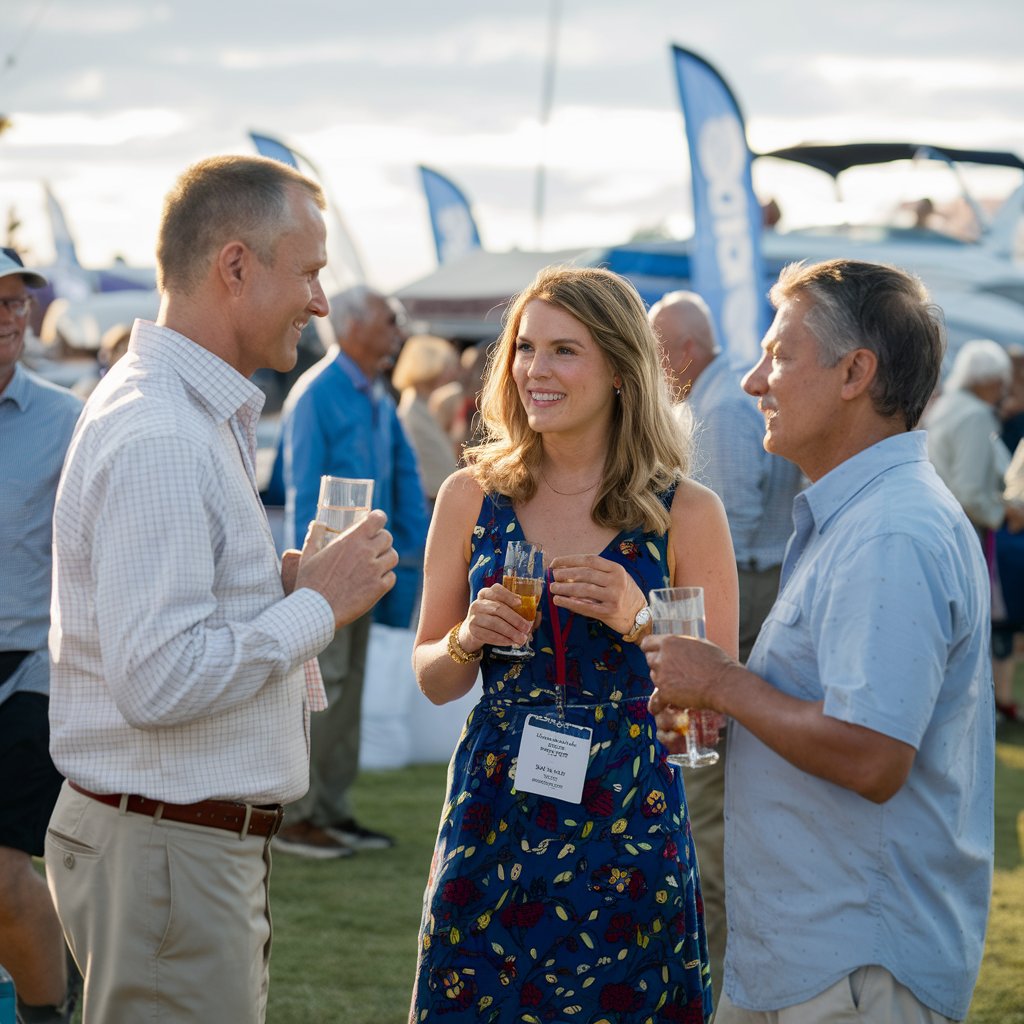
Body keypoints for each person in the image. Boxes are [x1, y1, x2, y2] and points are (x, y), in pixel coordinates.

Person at [44, 155, 399, 1024]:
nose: (322, 302)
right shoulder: (162, 430)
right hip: (168, 851)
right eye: (310, 273)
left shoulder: (178, 409)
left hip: (171, 848)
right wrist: (315, 606)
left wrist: (281, 587)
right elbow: (158, 677)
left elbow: (167, 626)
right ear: (235, 267)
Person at [645, 259, 994, 1023]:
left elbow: (872, 756)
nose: (752, 382)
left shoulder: (891, 530)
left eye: (780, 356)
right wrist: (733, 705)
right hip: (811, 960)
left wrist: (723, 685)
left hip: (852, 971)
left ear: (855, 373)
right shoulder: (864, 515)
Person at [409, 264, 738, 1022]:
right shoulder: (471, 496)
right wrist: (466, 637)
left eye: (564, 350)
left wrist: (643, 621)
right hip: (495, 812)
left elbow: (711, 716)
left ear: (622, 369)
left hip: (627, 816)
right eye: (525, 348)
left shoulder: (685, 511)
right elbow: (431, 677)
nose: (535, 370)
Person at [648, 289, 803, 1008]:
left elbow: (724, 530)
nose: (646, 364)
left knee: (702, 765)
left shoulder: (718, 410)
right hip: (741, 594)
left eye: (653, 349)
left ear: (683, 351)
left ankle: (714, 964)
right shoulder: (720, 402)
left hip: (730, 599)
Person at [274, 284, 429, 858]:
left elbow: (401, 480)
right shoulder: (319, 395)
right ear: (355, 325)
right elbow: (299, 490)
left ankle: (330, 811)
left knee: (348, 693)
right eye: (389, 320)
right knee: (323, 695)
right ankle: (298, 817)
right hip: (328, 580)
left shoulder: (375, 395)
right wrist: (307, 585)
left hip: (365, 575)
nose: (397, 331)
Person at [0, 249, 81, 1023]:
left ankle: (48, 1012)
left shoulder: (68, 417)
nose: (8, 315)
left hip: (29, 669)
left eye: (16, 300)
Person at [923, 338, 1023, 721]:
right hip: (966, 533)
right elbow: (968, 491)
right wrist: (1005, 512)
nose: (1003, 390)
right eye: (1000, 381)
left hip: (943, 530)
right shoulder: (976, 415)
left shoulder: (948, 406)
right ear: (987, 380)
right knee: (969, 628)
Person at [392, 333, 460, 504]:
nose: (451, 372)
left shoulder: (424, 406)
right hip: (429, 502)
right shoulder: (411, 412)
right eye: (445, 365)